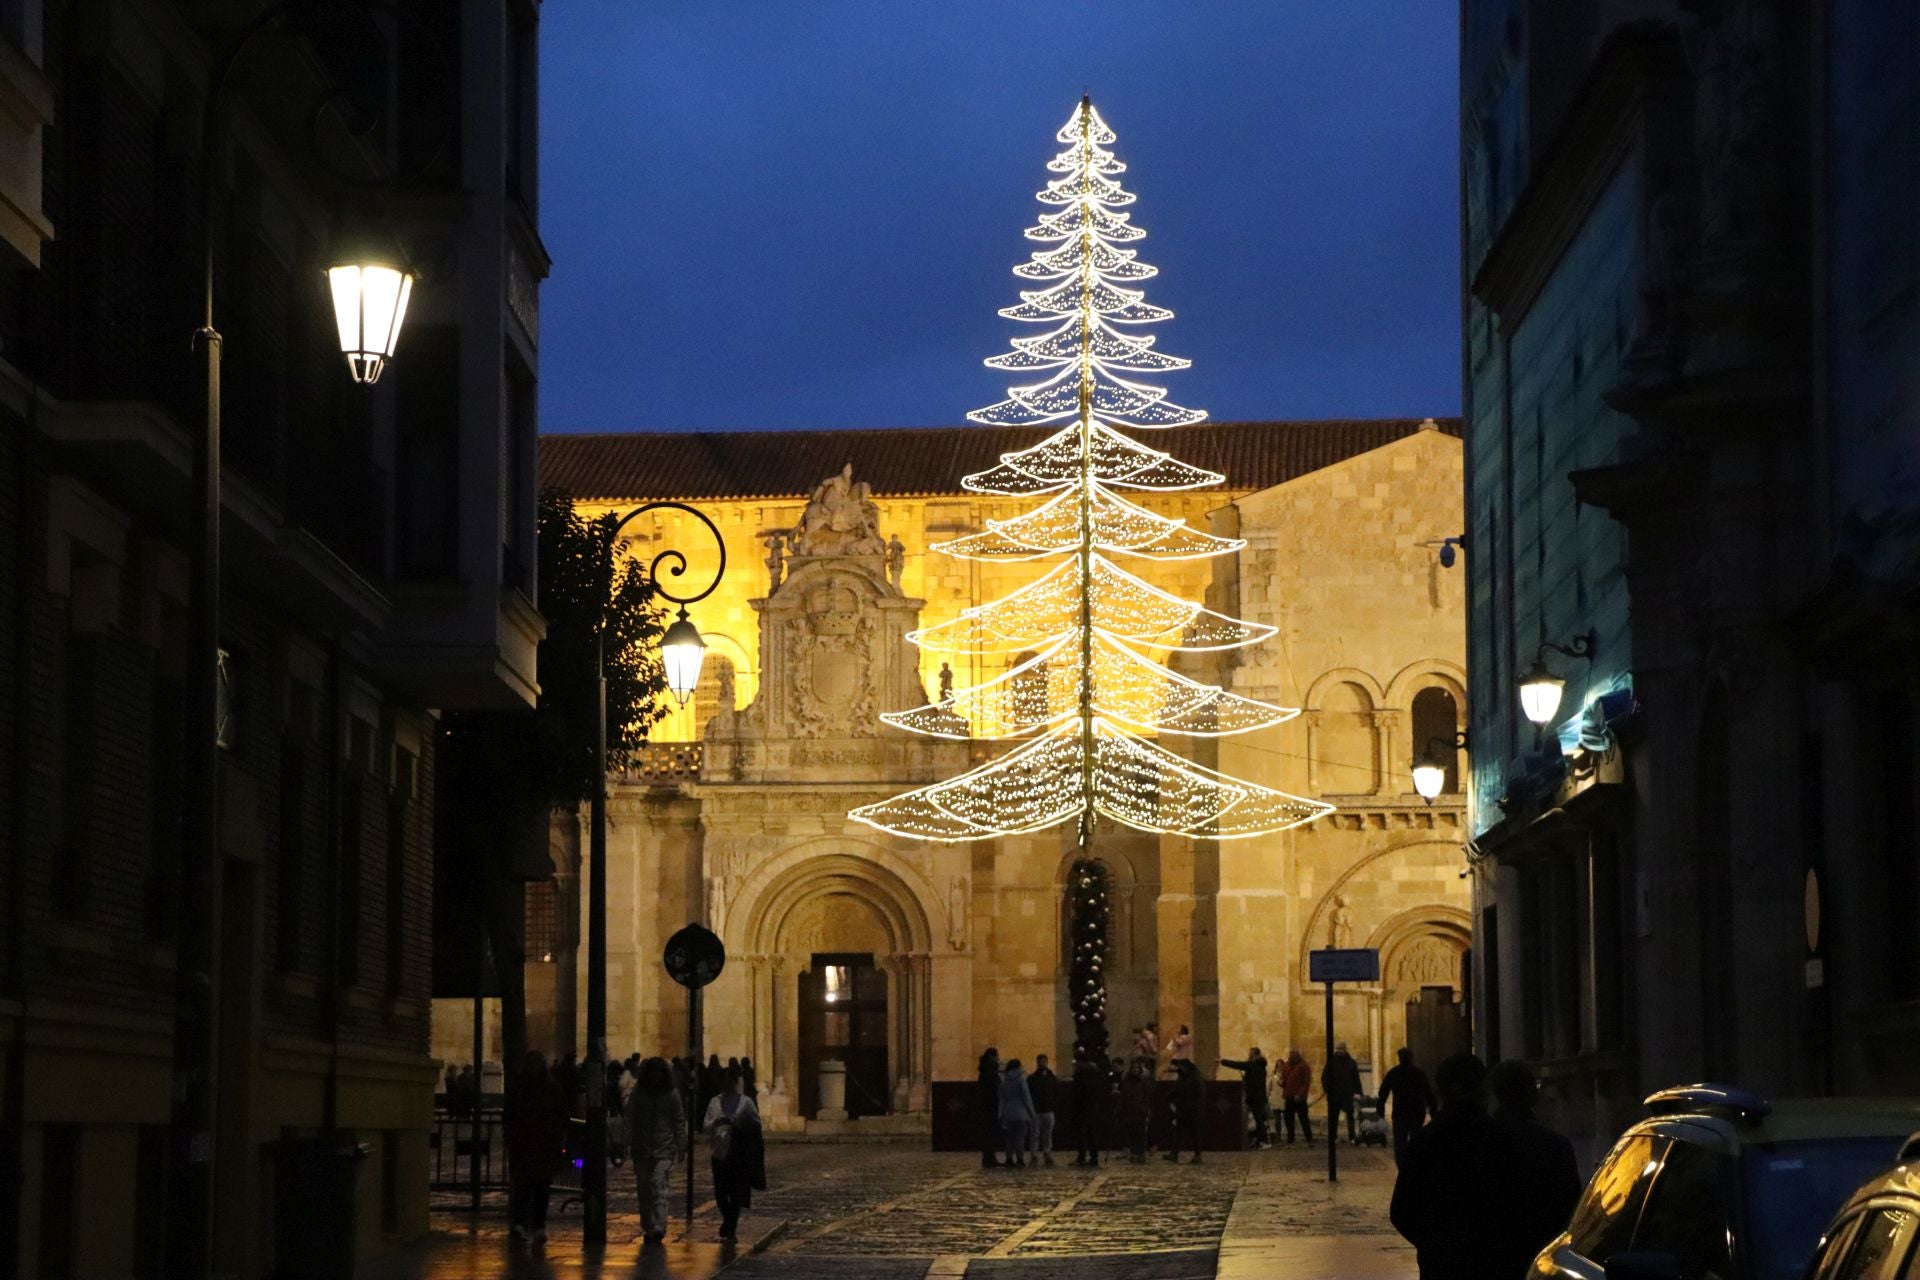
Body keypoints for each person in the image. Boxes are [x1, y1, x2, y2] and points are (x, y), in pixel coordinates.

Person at [1389, 1053, 1505, 1280]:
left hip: (1440, 1264)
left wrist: (1434, 1243)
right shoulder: (1502, 1139)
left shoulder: (1423, 1142)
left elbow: (1402, 1211)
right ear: (1483, 1088)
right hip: (1492, 1264)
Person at [1489, 1060, 1582, 1278]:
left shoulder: (1476, 1142)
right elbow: (1570, 1207)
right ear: (1527, 1091)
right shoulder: (1553, 1144)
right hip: (1538, 1255)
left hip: (1491, 1258)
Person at [503, 1051, 570, 1243]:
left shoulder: (525, 1088)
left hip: (539, 1145)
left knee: (537, 1188)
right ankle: (526, 1224)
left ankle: (534, 1224)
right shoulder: (539, 1089)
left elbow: (562, 1115)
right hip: (531, 1144)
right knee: (527, 1187)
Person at [625, 1057, 685, 1244]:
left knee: (658, 1184)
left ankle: (659, 1225)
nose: (656, 1076)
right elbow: (629, 1119)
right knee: (643, 1189)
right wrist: (623, 1142)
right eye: (653, 1072)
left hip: (664, 1148)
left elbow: (679, 1120)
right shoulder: (638, 1094)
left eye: (659, 1072)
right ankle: (648, 1226)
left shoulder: (671, 1094)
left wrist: (681, 1145)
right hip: (642, 1148)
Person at [703, 1067, 762, 1242]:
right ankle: (728, 1222)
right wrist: (717, 1122)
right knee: (721, 1192)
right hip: (720, 1152)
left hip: (739, 1151)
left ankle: (731, 1228)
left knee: (736, 1191)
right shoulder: (714, 1102)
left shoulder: (747, 1103)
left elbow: (756, 1124)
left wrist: (740, 1124)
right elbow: (706, 1124)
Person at [1378, 1046, 1439, 1165]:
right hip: (1415, 1112)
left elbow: (1383, 1092)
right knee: (1415, 1140)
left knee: (1400, 1143)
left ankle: (1402, 1165)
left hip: (1401, 1112)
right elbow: (1428, 1093)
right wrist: (1433, 1109)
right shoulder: (1418, 1073)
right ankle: (1414, 1163)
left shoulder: (1394, 1073)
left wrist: (1380, 1109)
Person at [1218, 1047, 1271, 1148]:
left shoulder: (1253, 1065)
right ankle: (1261, 1140)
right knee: (1259, 1119)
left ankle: (1264, 1141)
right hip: (1259, 1096)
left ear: (1255, 1055)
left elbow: (1238, 1065)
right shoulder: (1261, 1067)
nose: (1249, 1055)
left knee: (1258, 1119)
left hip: (1255, 1096)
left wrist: (1223, 1061)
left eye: (1250, 1053)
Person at [1070, 1050, 1109, 1166]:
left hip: (1081, 1106)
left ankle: (1082, 1156)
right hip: (1093, 1106)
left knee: (1081, 1132)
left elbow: (1077, 1091)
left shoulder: (1080, 1071)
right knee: (1092, 1132)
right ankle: (1094, 1156)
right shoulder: (1095, 1072)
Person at [1163, 1058, 1205, 1163]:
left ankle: (1198, 1155)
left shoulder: (1195, 1078)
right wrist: (1169, 1097)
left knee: (1195, 1134)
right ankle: (1174, 1153)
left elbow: (1199, 1095)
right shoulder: (1182, 1077)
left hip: (1193, 1110)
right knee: (1179, 1133)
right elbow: (1177, 1090)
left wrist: (1195, 1106)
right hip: (1182, 1109)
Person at [998, 1058, 1037, 1168]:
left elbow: (1002, 1100)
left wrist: (1000, 1114)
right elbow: (1026, 1098)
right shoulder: (1021, 1080)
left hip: (1008, 1112)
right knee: (1020, 1137)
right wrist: (1032, 1113)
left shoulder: (1004, 1081)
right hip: (1021, 1113)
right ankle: (1020, 1159)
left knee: (1009, 1138)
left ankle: (1009, 1159)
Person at [1322, 1041, 1364, 1144]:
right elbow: (1324, 1077)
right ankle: (1333, 1136)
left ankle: (1352, 1137)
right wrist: (1327, 1090)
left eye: (1342, 1049)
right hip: (1334, 1094)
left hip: (1347, 1094)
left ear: (1345, 1050)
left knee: (1350, 1116)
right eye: (1339, 1049)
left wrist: (1359, 1092)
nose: (1340, 1051)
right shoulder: (1331, 1062)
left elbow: (1356, 1079)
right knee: (1334, 1117)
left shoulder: (1351, 1063)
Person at [1027, 1054, 1059, 1166]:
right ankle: (1034, 1155)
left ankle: (1047, 1153)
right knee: (1035, 1134)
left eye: (1044, 1061)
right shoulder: (1032, 1079)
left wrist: (1053, 1104)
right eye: (1040, 1061)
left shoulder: (1052, 1078)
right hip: (1036, 1111)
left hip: (1048, 1109)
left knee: (1047, 1134)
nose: (1042, 1063)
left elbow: (1056, 1092)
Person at [1120, 1060, 1154, 1163]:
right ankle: (1134, 1152)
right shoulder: (1126, 1081)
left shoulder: (1144, 1082)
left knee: (1141, 1133)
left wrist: (1145, 1108)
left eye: (1137, 1068)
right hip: (1129, 1110)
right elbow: (1123, 1096)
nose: (1135, 1070)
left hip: (1140, 1110)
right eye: (1133, 1068)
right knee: (1131, 1132)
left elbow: (1147, 1096)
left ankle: (1141, 1153)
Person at [1278, 1049, 1314, 1145]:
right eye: (1290, 1053)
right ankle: (1290, 1139)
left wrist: (1300, 1094)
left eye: (1293, 1053)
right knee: (1288, 1118)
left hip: (1299, 1098)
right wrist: (1281, 1082)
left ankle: (1309, 1138)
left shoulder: (1303, 1066)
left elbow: (1305, 1082)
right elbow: (1285, 1078)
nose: (1291, 1055)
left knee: (1303, 1118)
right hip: (1289, 1096)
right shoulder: (1287, 1065)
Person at [977, 1047, 1003, 1167]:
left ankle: (989, 1157)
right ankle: (989, 1158)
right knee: (989, 1134)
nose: (998, 1058)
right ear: (992, 1057)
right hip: (990, 1107)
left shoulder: (986, 1071)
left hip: (987, 1107)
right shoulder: (989, 1072)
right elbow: (992, 1090)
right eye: (997, 1056)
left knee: (989, 1134)